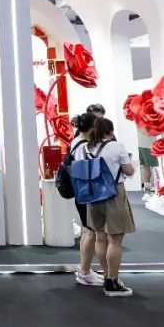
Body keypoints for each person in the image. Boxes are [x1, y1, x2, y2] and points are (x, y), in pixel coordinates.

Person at [73, 117, 136, 297]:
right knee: (115, 240)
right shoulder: (117, 147)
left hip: (92, 195)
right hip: (113, 194)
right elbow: (129, 171)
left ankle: (108, 277)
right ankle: (112, 282)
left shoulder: (85, 147)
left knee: (100, 238)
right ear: (110, 131)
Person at [69, 112, 102, 287]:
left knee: (87, 231)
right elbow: (87, 171)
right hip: (86, 192)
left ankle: (85, 270)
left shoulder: (77, 141)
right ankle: (84, 272)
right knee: (91, 232)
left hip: (81, 192)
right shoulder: (84, 146)